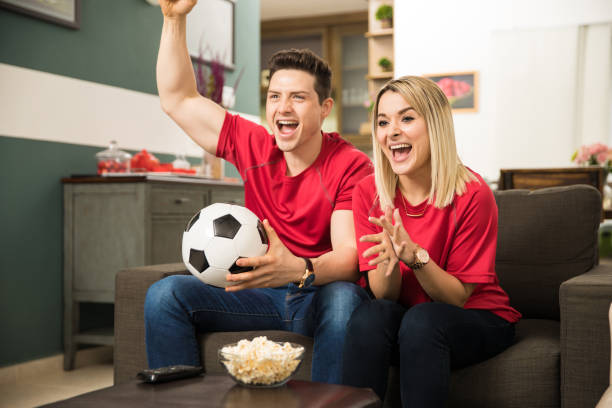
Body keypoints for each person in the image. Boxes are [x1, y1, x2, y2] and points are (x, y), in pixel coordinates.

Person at [144, 0, 373, 384]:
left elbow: (349, 257)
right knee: (165, 295)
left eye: (298, 97)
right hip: (258, 294)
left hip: (318, 292)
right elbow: (178, 99)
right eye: (275, 96)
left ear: (324, 108)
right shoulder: (254, 144)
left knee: (346, 300)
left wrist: (298, 268)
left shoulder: (350, 164)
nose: (283, 107)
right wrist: (174, 18)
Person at [341, 76, 521, 406]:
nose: (391, 131)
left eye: (406, 118)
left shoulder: (472, 193)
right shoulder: (369, 192)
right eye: (383, 122)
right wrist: (390, 260)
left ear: (435, 127)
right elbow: (385, 295)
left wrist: (416, 258)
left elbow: (456, 298)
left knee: (422, 321)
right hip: (410, 319)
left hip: (477, 316)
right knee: (371, 315)